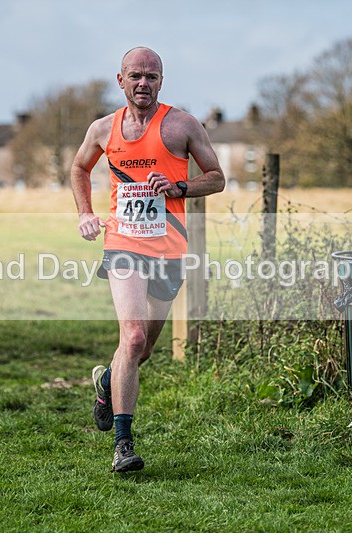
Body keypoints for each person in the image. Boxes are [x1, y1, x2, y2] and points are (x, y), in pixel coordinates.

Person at [71, 47, 225, 472]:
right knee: (133, 337)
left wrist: (178, 186)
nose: (143, 83)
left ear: (162, 81)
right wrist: (86, 213)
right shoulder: (103, 129)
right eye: (135, 75)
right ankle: (123, 444)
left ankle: (106, 382)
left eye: (152, 77)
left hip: (169, 251)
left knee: (143, 349)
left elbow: (217, 179)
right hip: (123, 244)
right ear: (120, 80)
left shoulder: (182, 125)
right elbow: (79, 168)